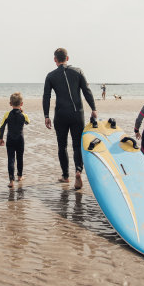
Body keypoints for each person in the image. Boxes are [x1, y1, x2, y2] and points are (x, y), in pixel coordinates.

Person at [43, 47, 98, 189]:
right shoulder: (78, 71)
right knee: (77, 145)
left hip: (60, 115)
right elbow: (87, 91)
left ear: (55, 60)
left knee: (62, 146)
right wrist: (93, 109)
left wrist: (46, 116)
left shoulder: (50, 76)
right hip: (77, 114)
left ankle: (65, 176)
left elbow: (46, 97)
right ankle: (78, 171)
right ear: (67, 58)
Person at [0, 92, 30, 188]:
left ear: (10, 103)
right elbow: (27, 122)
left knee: (11, 159)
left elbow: (2, 127)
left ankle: (11, 181)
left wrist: (1, 138)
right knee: (20, 158)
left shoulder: (7, 114)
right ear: (21, 104)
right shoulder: (23, 115)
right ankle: (20, 176)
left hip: (10, 139)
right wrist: (22, 112)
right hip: (20, 139)